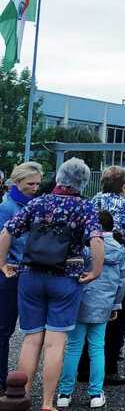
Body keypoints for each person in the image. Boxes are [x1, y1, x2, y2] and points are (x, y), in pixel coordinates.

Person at [0, 158, 103, 410]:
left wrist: (2, 263)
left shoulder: (37, 202)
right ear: (84, 183)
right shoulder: (84, 207)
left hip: (31, 276)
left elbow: (6, 232)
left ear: (58, 178)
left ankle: (21, 399)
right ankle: (47, 403)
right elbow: (96, 241)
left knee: (31, 340)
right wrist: (95, 271)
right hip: (66, 277)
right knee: (55, 343)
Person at [56, 211, 125, 409]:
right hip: (104, 302)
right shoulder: (120, 250)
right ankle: (95, 393)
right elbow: (121, 282)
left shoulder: (86, 247)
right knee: (97, 348)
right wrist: (116, 304)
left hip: (81, 300)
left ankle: (64, 393)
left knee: (73, 348)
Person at [89, 167, 125, 386]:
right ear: (123, 185)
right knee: (117, 315)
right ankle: (109, 368)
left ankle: (85, 366)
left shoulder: (93, 201)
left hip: (93, 261)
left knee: (90, 315)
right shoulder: (123, 204)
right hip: (119, 264)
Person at [0, 161, 43, 394]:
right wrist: (5, 263)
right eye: (30, 184)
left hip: (26, 272)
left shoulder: (31, 205)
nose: (35, 188)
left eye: (37, 184)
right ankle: (1, 381)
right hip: (10, 274)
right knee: (3, 330)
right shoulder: (7, 208)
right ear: (16, 182)